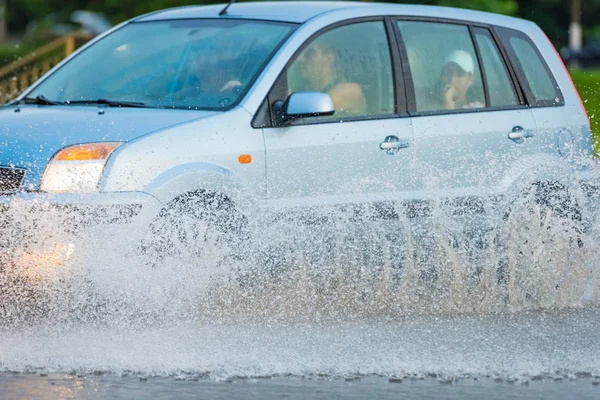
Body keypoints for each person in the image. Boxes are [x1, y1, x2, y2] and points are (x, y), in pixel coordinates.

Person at [292, 39, 367, 115]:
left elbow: (309, 113)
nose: (299, 59)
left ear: (329, 57)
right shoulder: (304, 90)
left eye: (309, 53)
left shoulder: (350, 90)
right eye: (299, 53)